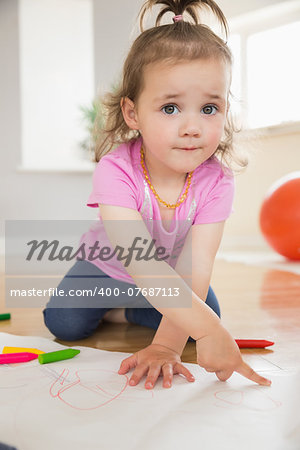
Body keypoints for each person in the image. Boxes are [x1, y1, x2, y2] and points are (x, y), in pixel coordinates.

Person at [43, 0, 271, 390]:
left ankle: (134, 310)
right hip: (109, 268)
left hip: (173, 276)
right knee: (64, 324)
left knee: (208, 313)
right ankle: (122, 308)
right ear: (133, 113)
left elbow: (195, 267)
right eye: (170, 108)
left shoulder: (218, 180)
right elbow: (143, 265)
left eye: (209, 108)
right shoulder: (116, 170)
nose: (192, 126)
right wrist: (205, 332)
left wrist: (167, 345)